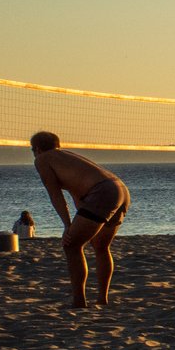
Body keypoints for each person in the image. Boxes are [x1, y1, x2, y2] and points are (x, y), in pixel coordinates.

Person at [30, 131, 128, 310]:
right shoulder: (67, 157)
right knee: (101, 246)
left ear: (36, 149)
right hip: (120, 189)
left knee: (71, 245)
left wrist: (68, 226)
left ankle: (79, 301)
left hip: (102, 193)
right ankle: (102, 299)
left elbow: (55, 194)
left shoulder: (42, 160)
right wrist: (77, 223)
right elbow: (77, 192)